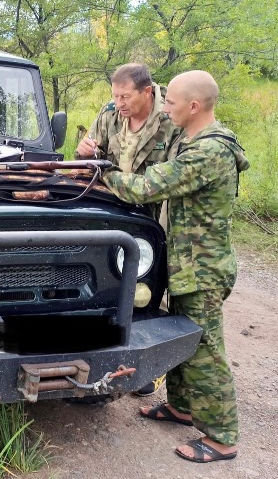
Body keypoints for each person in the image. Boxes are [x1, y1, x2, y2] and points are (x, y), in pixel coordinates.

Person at [101, 70, 249, 463]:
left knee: (206, 350)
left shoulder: (209, 152)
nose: (165, 108)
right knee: (184, 340)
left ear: (194, 106)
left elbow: (147, 186)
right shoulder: (192, 141)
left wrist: (103, 171)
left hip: (203, 268)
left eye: (170, 103)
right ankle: (183, 408)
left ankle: (222, 437)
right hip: (186, 263)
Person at [75, 62, 179, 397]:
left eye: (125, 96)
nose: (119, 103)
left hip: (156, 217)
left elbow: (174, 177)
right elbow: (90, 154)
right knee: (109, 283)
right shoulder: (109, 115)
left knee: (150, 292)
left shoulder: (172, 119)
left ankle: (146, 368)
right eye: (115, 95)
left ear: (147, 91)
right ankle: (103, 353)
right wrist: (84, 151)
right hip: (114, 213)